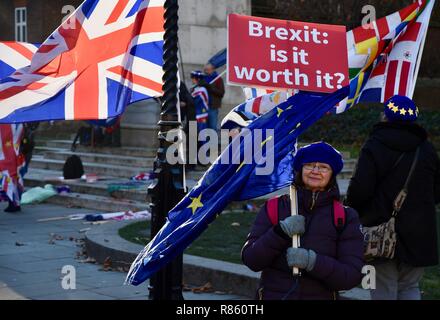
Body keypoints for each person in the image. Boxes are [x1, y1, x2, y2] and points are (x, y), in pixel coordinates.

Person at [345, 95, 440, 300]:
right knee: (410, 287)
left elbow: (360, 190)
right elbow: (436, 192)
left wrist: (352, 209)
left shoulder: (375, 145)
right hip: (420, 235)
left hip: (380, 231)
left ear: (385, 116)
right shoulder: (427, 149)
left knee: (382, 288)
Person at [242, 142, 364, 300]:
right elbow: (252, 260)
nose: (315, 171)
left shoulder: (345, 216)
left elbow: (351, 276)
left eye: (323, 167)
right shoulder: (274, 207)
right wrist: (280, 233)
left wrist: (313, 262)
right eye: (309, 165)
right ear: (300, 170)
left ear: (331, 174)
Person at [201, 62, 225, 132]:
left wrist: (210, 88)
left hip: (212, 106)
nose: (206, 71)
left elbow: (221, 93)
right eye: (205, 70)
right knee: (203, 127)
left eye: (207, 70)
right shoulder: (203, 78)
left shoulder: (218, 79)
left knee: (212, 126)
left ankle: (212, 142)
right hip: (203, 106)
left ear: (212, 69)